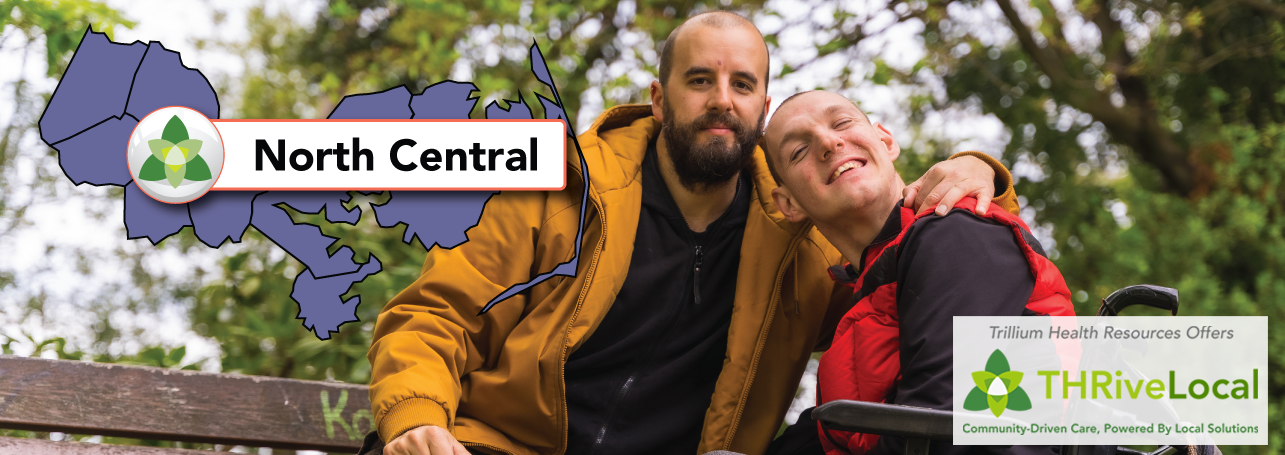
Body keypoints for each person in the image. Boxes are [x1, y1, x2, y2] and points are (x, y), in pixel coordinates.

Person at [366, 12, 1020, 455]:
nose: (721, 100)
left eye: (742, 85)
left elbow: (924, 269)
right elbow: (437, 315)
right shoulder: (560, 188)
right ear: (659, 98)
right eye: (700, 80)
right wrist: (416, 418)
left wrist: (979, 170)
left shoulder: (800, 234)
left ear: (761, 109)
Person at [761, 90, 1075, 455]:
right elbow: (830, 433)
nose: (829, 142)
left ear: (886, 142)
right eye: (799, 150)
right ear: (789, 203)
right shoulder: (865, 301)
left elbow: (939, 420)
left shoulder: (955, 230)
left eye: (842, 122)